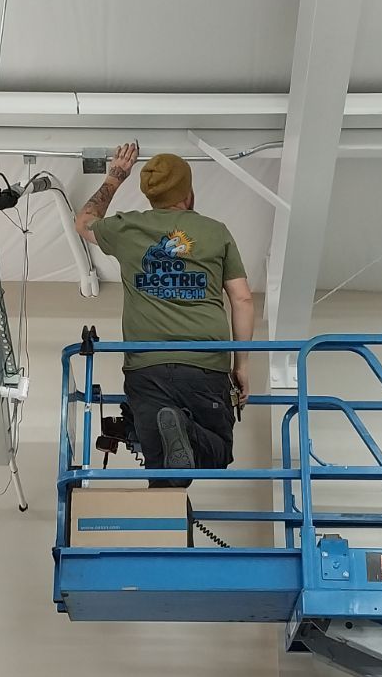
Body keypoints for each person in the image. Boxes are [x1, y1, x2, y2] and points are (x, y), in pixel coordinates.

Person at [75, 144, 255, 475]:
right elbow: (242, 299)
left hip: (146, 367)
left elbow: (85, 221)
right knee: (217, 455)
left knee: (165, 471)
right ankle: (183, 429)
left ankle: (177, 430)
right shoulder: (216, 232)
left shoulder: (126, 228)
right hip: (206, 365)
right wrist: (241, 364)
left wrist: (116, 176)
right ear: (188, 193)